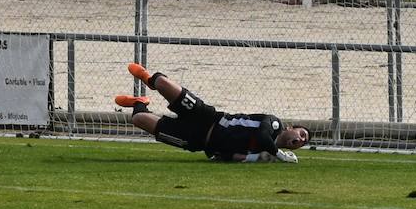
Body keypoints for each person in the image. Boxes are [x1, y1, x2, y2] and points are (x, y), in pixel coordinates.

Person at [115, 62, 310, 163]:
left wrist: (232, 156)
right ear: (291, 127)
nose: (300, 139)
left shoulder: (262, 154)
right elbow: (262, 135)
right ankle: (148, 79)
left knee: (139, 118)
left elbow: (233, 157)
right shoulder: (273, 124)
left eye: (303, 142)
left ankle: (139, 102)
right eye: (301, 134)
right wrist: (278, 154)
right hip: (207, 117)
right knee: (162, 83)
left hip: (197, 141)